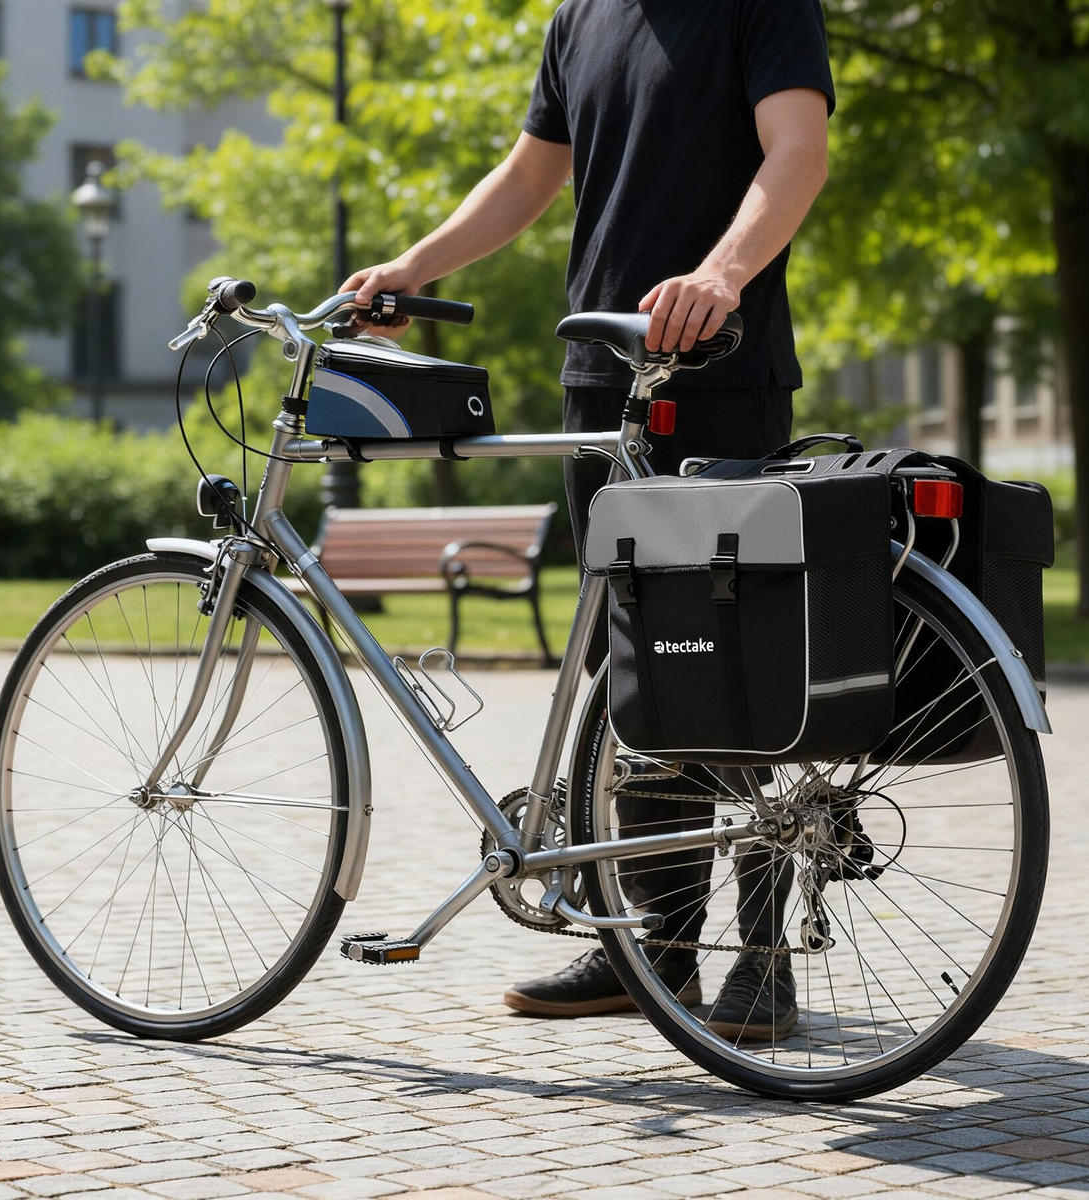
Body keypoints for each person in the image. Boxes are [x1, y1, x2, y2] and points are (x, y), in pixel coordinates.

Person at [340, 1, 834, 1037]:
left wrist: (722, 275)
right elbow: (528, 176)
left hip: (719, 366)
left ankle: (765, 957)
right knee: (635, 668)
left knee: (730, 658)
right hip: (599, 374)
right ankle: (652, 951)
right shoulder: (581, 16)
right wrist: (414, 266)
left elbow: (797, 150)